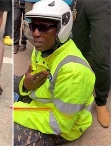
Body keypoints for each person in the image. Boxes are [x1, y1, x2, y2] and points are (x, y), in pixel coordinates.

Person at [13, 0, 95, 145]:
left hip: (64, 126)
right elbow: (37, 84)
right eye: (33, 26)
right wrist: (26, 86)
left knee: (11, 134)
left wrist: (16, 110)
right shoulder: (44, 48)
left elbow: (60, 123)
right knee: (13, 82)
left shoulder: (74, 72)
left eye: (43, 27)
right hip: (44, 103)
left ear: (61, 29)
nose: (35, 33)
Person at [71, 0, 111, 128]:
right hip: (79, 4)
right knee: (76, 52)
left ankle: (101, 102)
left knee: (102, 56)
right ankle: (77, 94)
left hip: (102, 4)